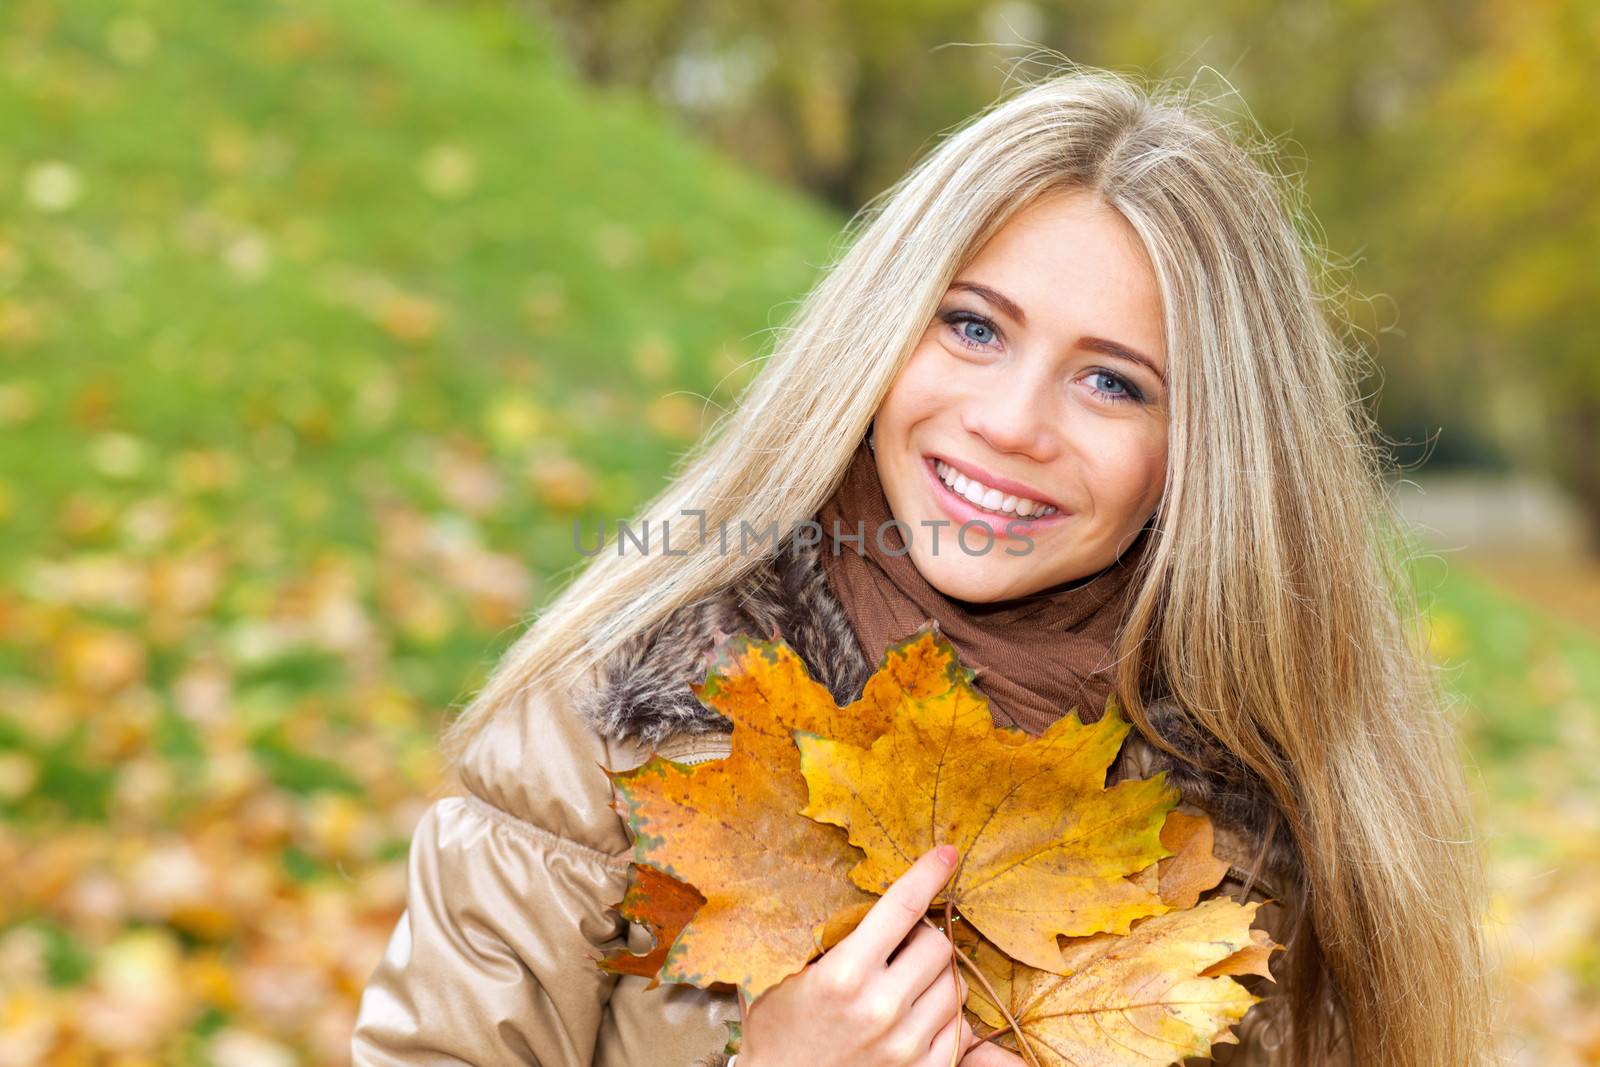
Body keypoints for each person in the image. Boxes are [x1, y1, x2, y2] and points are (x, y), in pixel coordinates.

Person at [351, 65, 1493, 1067]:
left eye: (1111, 382)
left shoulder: (1257, 828)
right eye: (974, 328)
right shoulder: (617, 727)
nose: (1009, 421)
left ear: (1207, 449)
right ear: (882, 332)